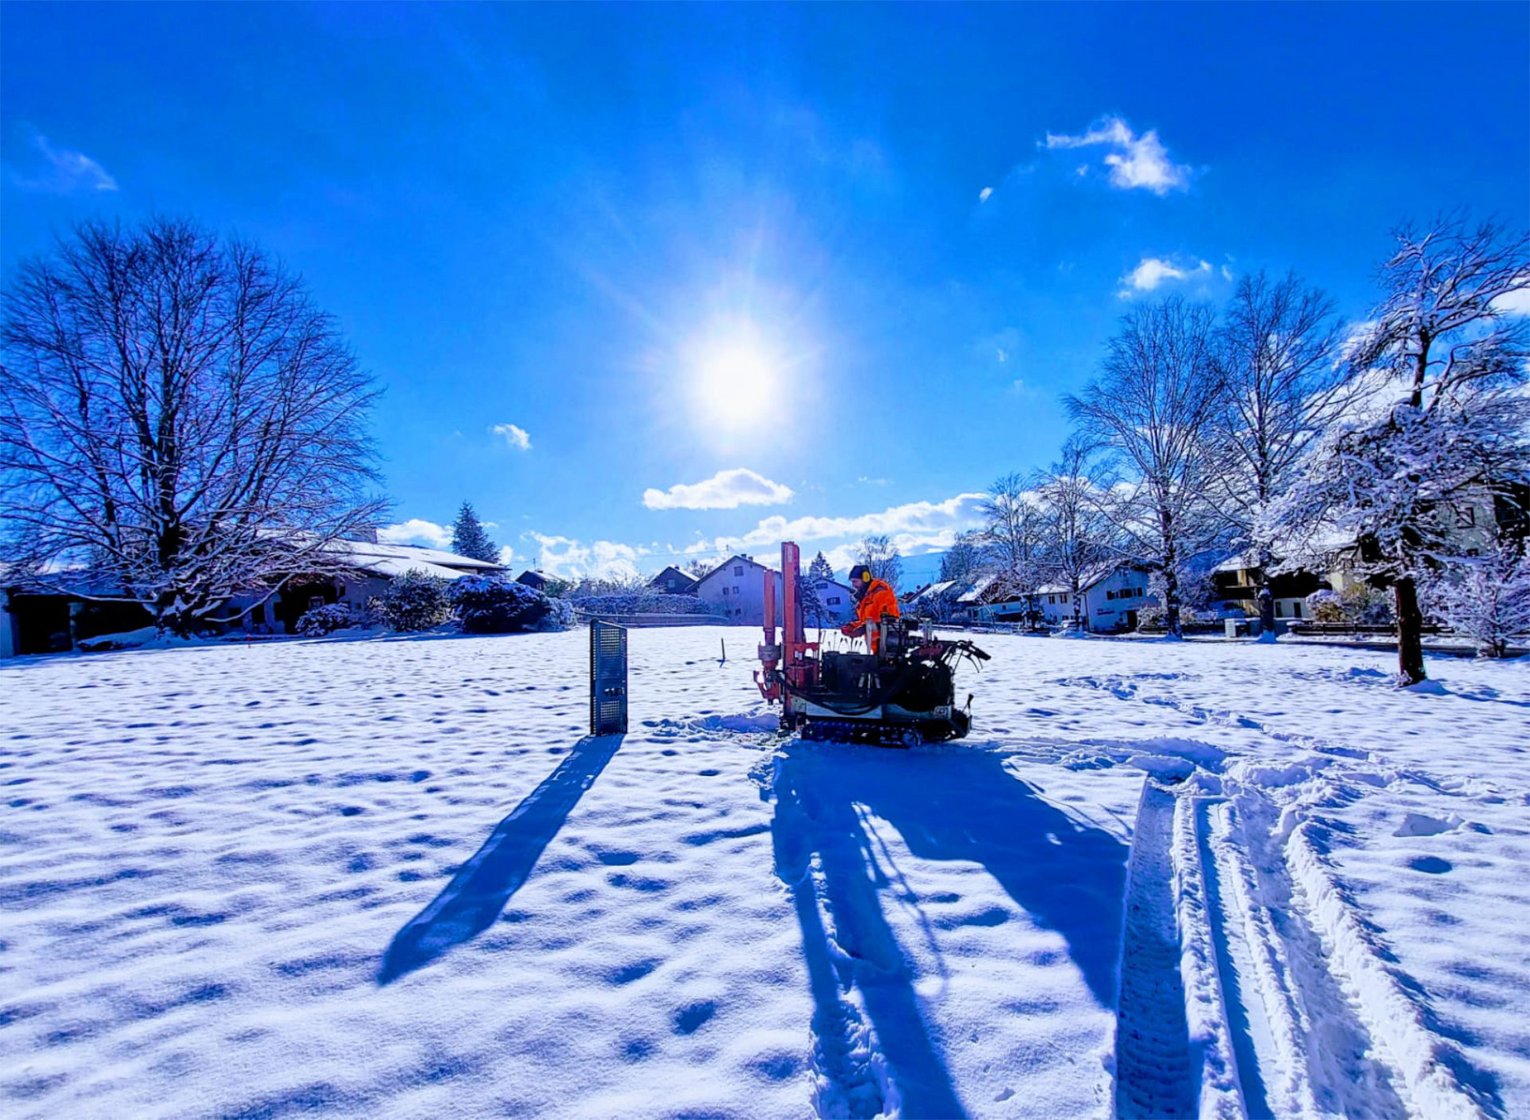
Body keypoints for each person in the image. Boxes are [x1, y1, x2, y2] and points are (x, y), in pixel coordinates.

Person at [841, 563, 900, 653]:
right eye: (852, 582)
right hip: (876, 648)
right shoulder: (866, 597)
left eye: (855, 581)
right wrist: (852, 626)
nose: (853, 585)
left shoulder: (881, 593)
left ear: (866, 578)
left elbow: (890, 621)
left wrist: (863, 629)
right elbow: (867, 621)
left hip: (888, 646)